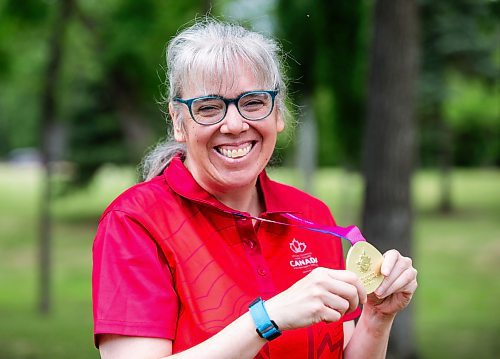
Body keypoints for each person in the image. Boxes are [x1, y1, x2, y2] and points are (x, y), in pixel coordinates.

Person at [92, 19, 418, 359]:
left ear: (277, 114)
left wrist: (378, 316)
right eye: (208, 108)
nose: (234, 124)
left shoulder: (312, 215)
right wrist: (268, 318)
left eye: (253, 102)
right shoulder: (134, 221)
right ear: (178, 121)